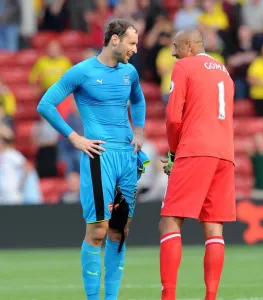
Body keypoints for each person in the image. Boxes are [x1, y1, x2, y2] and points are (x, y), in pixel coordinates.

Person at [37, 19, 146, 300]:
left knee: (120, 232)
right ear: (114, 40)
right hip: (100, 156)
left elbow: (139, 100)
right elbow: (45, 104)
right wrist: (74, 137)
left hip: (127, 157)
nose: (136, 48)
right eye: (132, 42)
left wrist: (140, 131)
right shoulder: (83, 72)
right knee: (98, 230)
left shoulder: (130, 73)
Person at [159, 28, 235, 300]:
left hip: (195, 149)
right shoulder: (224, 72)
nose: (173, 52)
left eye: (176, 46)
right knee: (214, 227)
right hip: (225, 153)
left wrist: (173, 152)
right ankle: (211, 297)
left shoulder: (184, 66)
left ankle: (168, 296)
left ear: (191, 45)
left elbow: (173, 118)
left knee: (170, 221)